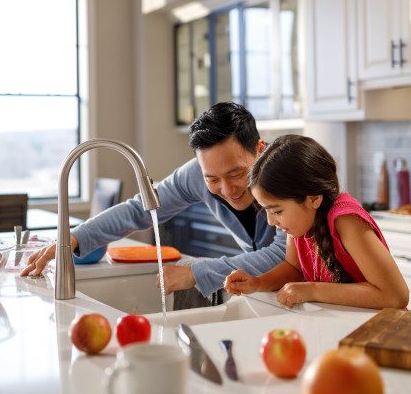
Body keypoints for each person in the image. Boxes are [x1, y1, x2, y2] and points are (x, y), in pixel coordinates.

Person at [21, 102, 287, 298]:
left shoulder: (288, 172)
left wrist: (197, 272)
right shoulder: (194, 175)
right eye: (213, 179)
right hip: (265, 290)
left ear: (260, 150)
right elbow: (140, 209)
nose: (227, 190)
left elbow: (282, 255)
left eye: (236, 173)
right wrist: (75, 236)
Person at [224, 134, 409, 310]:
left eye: (277, 211)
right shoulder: (300, 225)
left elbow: (395, 296)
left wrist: (312, 290)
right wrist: (257, 283)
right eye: (267, 211)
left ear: (313, 199)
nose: (271, 221)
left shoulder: (346, 221)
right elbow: (293, 268)